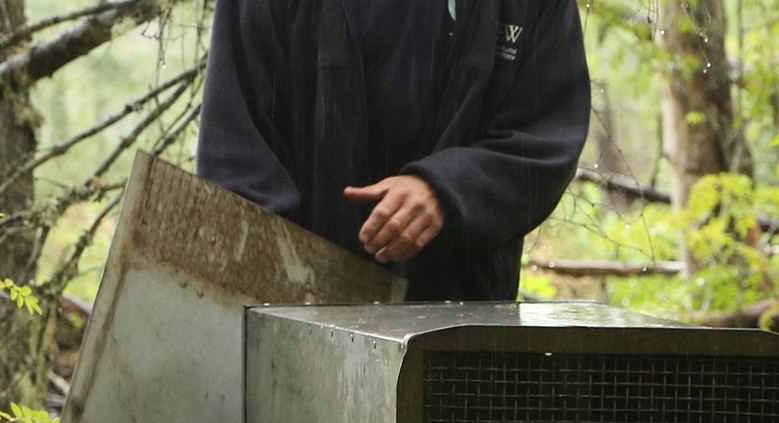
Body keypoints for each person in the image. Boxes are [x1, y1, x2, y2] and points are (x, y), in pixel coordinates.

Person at [196, 0, 591, 301]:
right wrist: (280, 280)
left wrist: (446, 190)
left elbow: (544, 139)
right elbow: (236, 154)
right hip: (298, 314)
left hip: (457, 327)